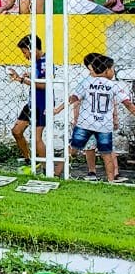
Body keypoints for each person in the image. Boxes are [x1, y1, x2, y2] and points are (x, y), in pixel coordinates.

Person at [58, 54, 132, 182]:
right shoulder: (113, 85)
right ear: (106, 70)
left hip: (86, 123)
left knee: (73, 148)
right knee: (106, 153)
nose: (113, 71)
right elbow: (127, 104)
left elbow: (74, 99)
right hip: (103, 124)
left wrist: (58, 109)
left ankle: (55, 172)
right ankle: (109, 180)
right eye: (112, 68)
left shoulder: (86, 82)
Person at [8, 35, 48, 175]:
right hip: (32, 103)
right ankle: (29, 160)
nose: (25, 56)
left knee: (37, 138)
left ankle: (47, 170)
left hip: (42, 104)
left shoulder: (45, 62)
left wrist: (21, 79)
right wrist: (28, 76)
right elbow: (36, 78)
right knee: (17, 131)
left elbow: (43, 85)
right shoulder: (36, 62)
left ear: (33, 49)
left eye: (25, 52)